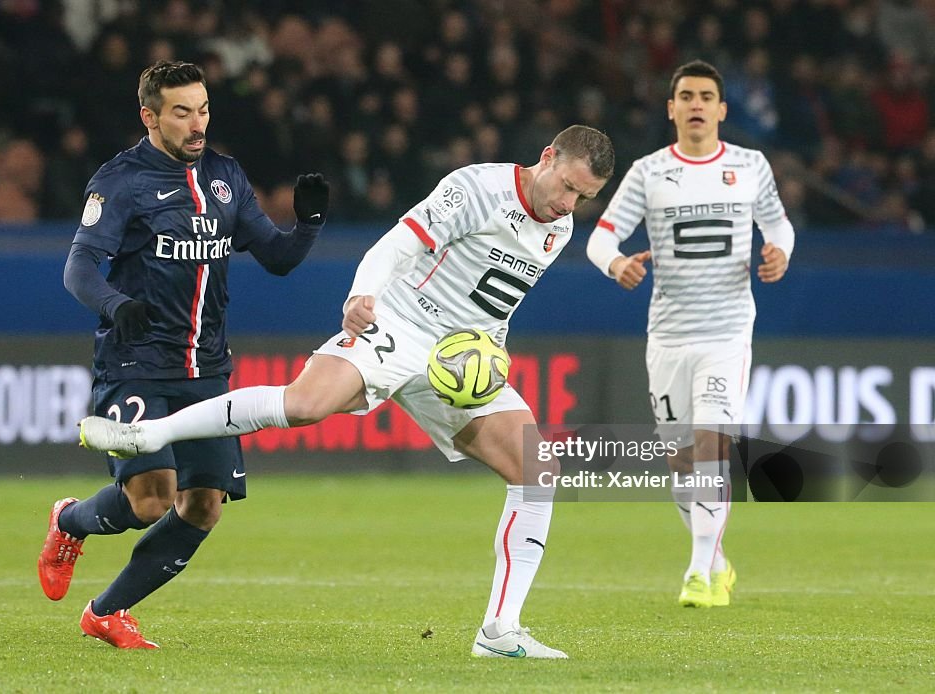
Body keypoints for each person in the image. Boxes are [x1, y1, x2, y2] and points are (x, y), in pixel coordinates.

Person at [78, 124, 615, 658]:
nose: (570, 204)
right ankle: (149, 434)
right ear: (547, 157)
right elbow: (398, 243)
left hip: (456, 359)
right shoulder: (477, 189)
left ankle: (499, 631)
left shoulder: (558, 229)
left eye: (584, 197)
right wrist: (363, 295)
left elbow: (498, 302)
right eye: (567, 187)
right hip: (400, 324)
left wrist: (493, 353)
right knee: (304, 404)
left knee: (538, 470)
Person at [37, 60, 330, 649]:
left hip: (208, 370)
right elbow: (78, 268)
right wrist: (116, 304)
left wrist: (308, 224)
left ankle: (107, 612)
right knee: (150, 501)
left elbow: (275, 258)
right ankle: (69, 521)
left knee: (202, 507)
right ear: (150, 116)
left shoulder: (224, 175)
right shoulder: (120, 181)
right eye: (181, 112)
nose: (197, 124)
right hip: (136, 361)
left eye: (203, 110)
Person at [586, 60, 795, 608]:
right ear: (671, 108)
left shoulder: (749, 166)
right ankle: (718, 559)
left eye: (706, 96)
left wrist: (778, 255)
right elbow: (601, 237)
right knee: (680, 457)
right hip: (669, 335)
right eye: (686, 96)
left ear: (722, 110)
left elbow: (778, 227)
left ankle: (699, 570)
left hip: (727, 331)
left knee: (711, 446)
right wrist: (616, 266)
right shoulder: (649, 172)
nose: (697, 104)